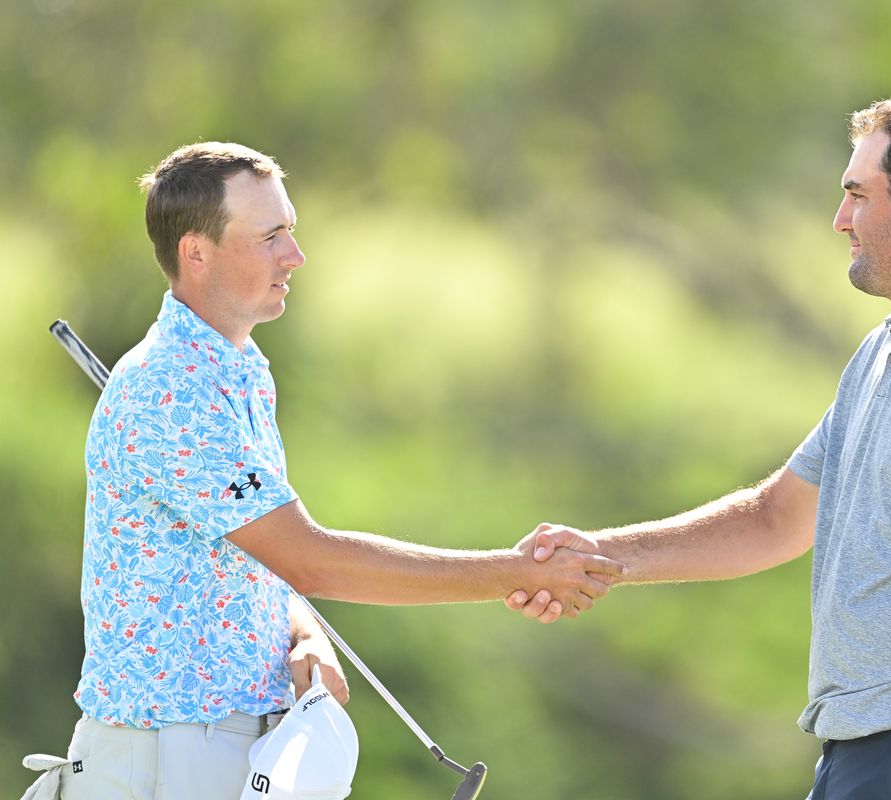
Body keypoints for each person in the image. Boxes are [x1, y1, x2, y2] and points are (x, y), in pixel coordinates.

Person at [506, 97, 891, 800]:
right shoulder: (882, 352)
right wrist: (597, 559)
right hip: (857, 762)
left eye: (857, 195)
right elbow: (774, 518)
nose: (840, 220)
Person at [56, 142, 625, 800]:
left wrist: (299, 630)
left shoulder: (240, 369)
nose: (293, 256)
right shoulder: (169, 389)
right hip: (167, 760)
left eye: (290, 232)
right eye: (270, 237)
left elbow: (250, 552)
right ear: (197, 253)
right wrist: (515, 573)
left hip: (241, 750)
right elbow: (310, 559)